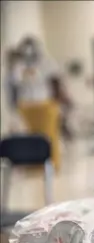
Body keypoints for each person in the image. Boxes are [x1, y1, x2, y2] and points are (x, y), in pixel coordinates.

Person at [12, 36, 72, 171]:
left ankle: (50, 164)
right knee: (30, 136)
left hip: (46, 105)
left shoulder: (47, 63)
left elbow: (55, 83)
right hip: (26, 106)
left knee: (49, 137)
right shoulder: (19, 66)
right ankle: (33, 164)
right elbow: (16, 87)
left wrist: (59, 103)